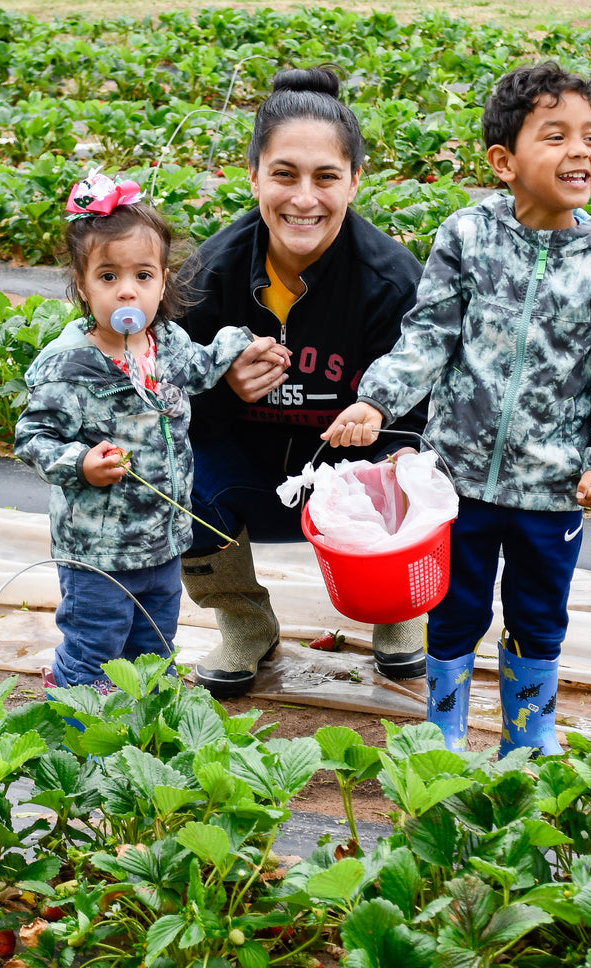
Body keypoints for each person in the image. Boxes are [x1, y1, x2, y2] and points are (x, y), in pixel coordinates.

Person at [321, 61, 591, 754]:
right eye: (556, 135)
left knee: (538, 613)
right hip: (456, 478)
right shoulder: (466, 237)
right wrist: (377, 401)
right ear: (503, 161)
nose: (580, 152)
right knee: (452, 607)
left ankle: (527, 738)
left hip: (553, 486)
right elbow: (428, 334)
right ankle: (442, 732)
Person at [179, 65, 427, 698]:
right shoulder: (208, 275)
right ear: (254, 172)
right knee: (166, 466)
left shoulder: (392, 281)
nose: (303, 198)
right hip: (248, 481)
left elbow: (423, 413)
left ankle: (396, 609)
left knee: (412, 460)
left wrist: (378, 423)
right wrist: (222, 390)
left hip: (354, 484)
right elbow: (162, 401)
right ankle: (244, 620)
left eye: (326, 177)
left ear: (355, 181)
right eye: (283, 174)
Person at [14, 170, 285, 692]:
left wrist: (237, 344)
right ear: (82, 283)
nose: (127, 292)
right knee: (95, 645)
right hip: (98, 550)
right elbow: (34, 437)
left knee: (154, 646)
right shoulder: (69, 364)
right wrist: (81, 464)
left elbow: (203, 369)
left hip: (163, 543)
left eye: (143, 275)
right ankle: (79, 738)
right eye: (108, 277)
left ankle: (141, 735)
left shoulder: (166, 340)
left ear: (163, 280)